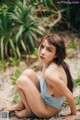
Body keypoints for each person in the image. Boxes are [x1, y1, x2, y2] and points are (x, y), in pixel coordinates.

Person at [4, 33, 77, 119]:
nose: (42, 52)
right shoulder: (48, 62)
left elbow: (69, 95)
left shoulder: (50, 74)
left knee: (21, 81)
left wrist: (73, 114)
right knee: (28, 73)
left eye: (49, 50)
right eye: (42, 46)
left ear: (56, 55)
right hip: (45, 99)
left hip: (47, 110)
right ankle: (21, 105)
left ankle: (29, 111)